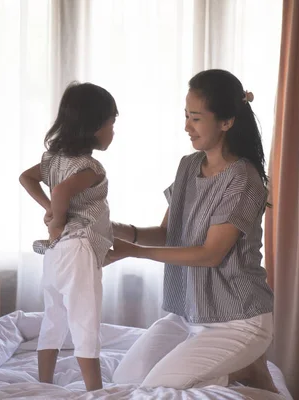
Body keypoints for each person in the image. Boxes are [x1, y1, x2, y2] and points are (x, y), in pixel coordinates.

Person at [107, 69, 278, 392]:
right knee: (125, 380)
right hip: (189, 313)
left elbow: (210, 254)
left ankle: (247, 372)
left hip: (237, 320)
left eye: (196, 118)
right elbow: (168, 233)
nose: (186, 126)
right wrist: (119, 230)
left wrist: (135, 252)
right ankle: (245, 369)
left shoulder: (243, 179)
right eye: (186, 116)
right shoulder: (188, 165)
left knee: (159, 389)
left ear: (226, 122)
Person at [19, 82, 117, 391]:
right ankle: (94, 390)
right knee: (85, 321)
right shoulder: (91, 167)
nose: (113, 132)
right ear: (93, 127)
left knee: (54, 317)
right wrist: (56, 221)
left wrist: (49, 209)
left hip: (56, 252)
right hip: (78, 247)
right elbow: (62, 190)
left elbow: (26, 178)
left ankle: (44, 383)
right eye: (111, 124)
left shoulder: (53, 160)